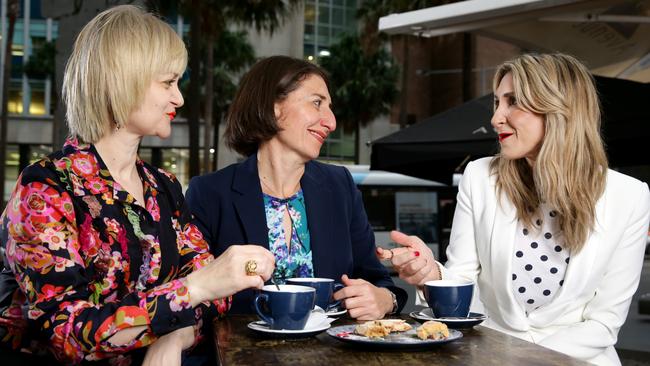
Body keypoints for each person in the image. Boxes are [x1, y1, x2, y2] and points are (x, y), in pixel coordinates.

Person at [0, 5, 275, 365]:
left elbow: (218, 297)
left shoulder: (164, 186)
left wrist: (173, 336)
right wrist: (191, 291)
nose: (178, 98)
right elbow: (67, 334)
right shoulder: (47, 187)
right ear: (122, 80)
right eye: (167, 83)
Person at [379, 53, 650, 365]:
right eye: (497, 102)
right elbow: (463, 286)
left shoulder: (629, 196)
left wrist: (524, 358)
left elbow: (604, 324)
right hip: (490, 357)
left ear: (560, 109)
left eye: (513, 102)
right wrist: (431, 273)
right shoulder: (480, 177)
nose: (496, 118)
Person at [185, 56, 407, 320]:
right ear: (273, 107)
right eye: (317, 103)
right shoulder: (209, 193)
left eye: (330, 108)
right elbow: (189, 298)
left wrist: (386, 299)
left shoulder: (340, 187)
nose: (331, 122)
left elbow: (378, 281)